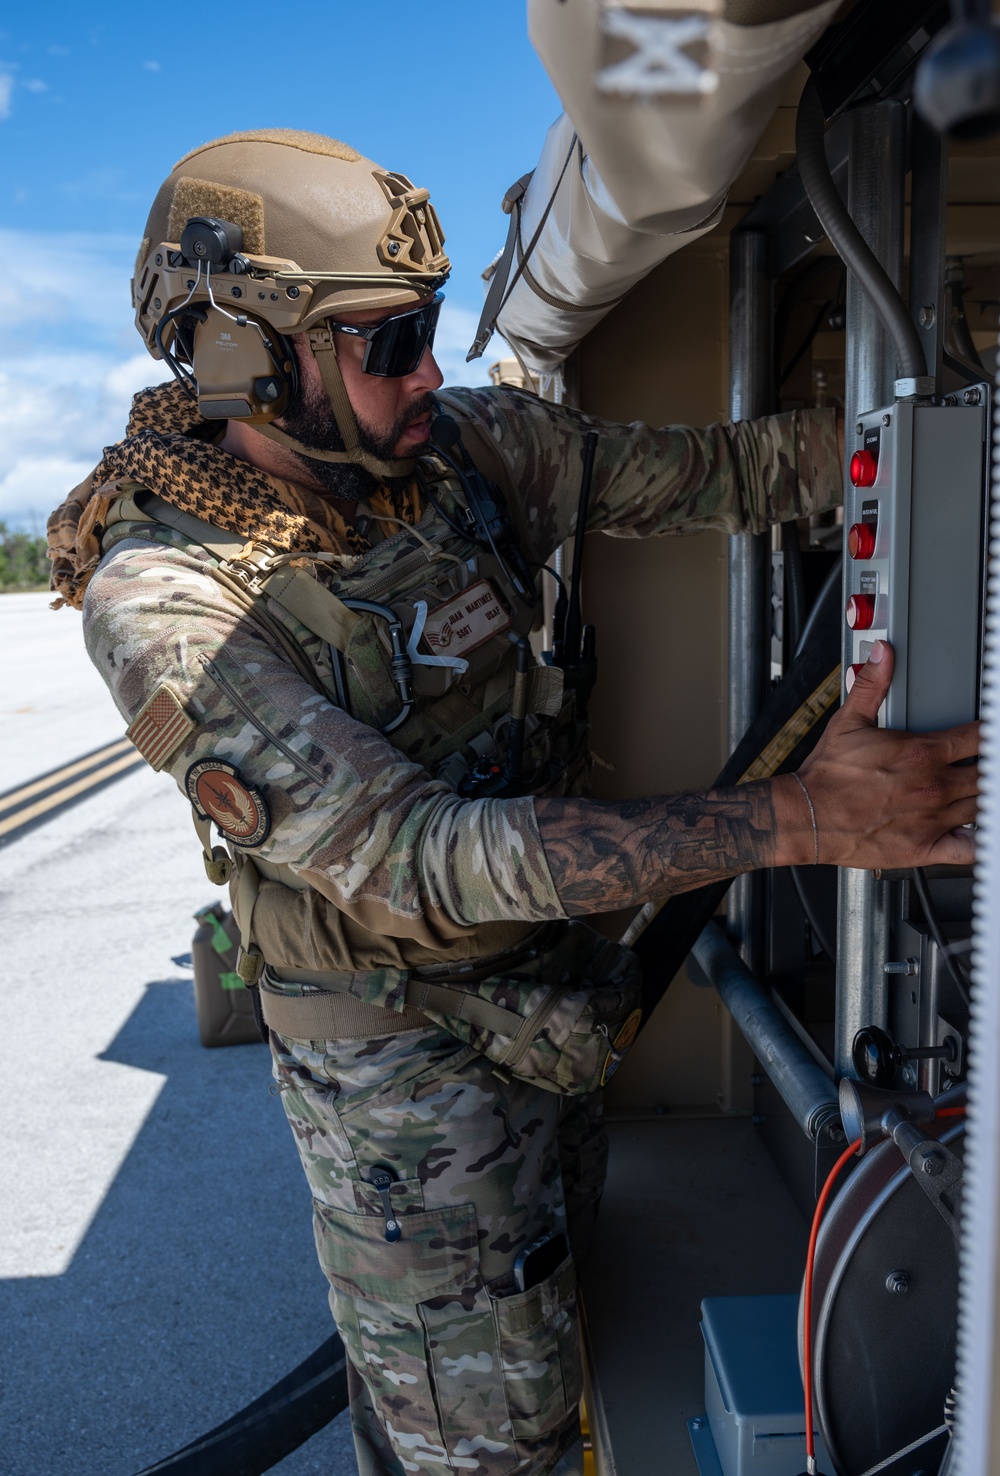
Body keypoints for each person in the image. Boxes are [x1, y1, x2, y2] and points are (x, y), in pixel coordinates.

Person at [48, 131, 977, 1476]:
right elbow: (427, 858)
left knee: (570, 1332)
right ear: (254, 357)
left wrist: (930, 448)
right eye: (387, 343)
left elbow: (724, 472)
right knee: (492, 1447)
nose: (431, 369)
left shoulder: (462, 459)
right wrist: (807, 821)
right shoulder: (170, 604)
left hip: (553, 1017)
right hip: (405, 1101)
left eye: (427, 330)